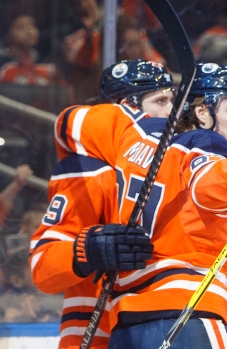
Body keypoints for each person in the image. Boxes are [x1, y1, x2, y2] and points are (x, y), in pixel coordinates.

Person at [52, 63, 227, 349]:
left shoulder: (133, 136)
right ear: (202, 112)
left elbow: (67, 122)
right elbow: (208, 176)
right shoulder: (203, 142)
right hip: (189, 315)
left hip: (125, 326)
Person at [29, 59, 175, 349]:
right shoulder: (90, 168)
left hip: (157, 325)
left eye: (172, 100)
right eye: (160, 100)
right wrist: (90, 249)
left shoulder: (174, 164)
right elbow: (42, 264)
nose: (171, 111)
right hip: (95, 330)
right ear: (125, 106)